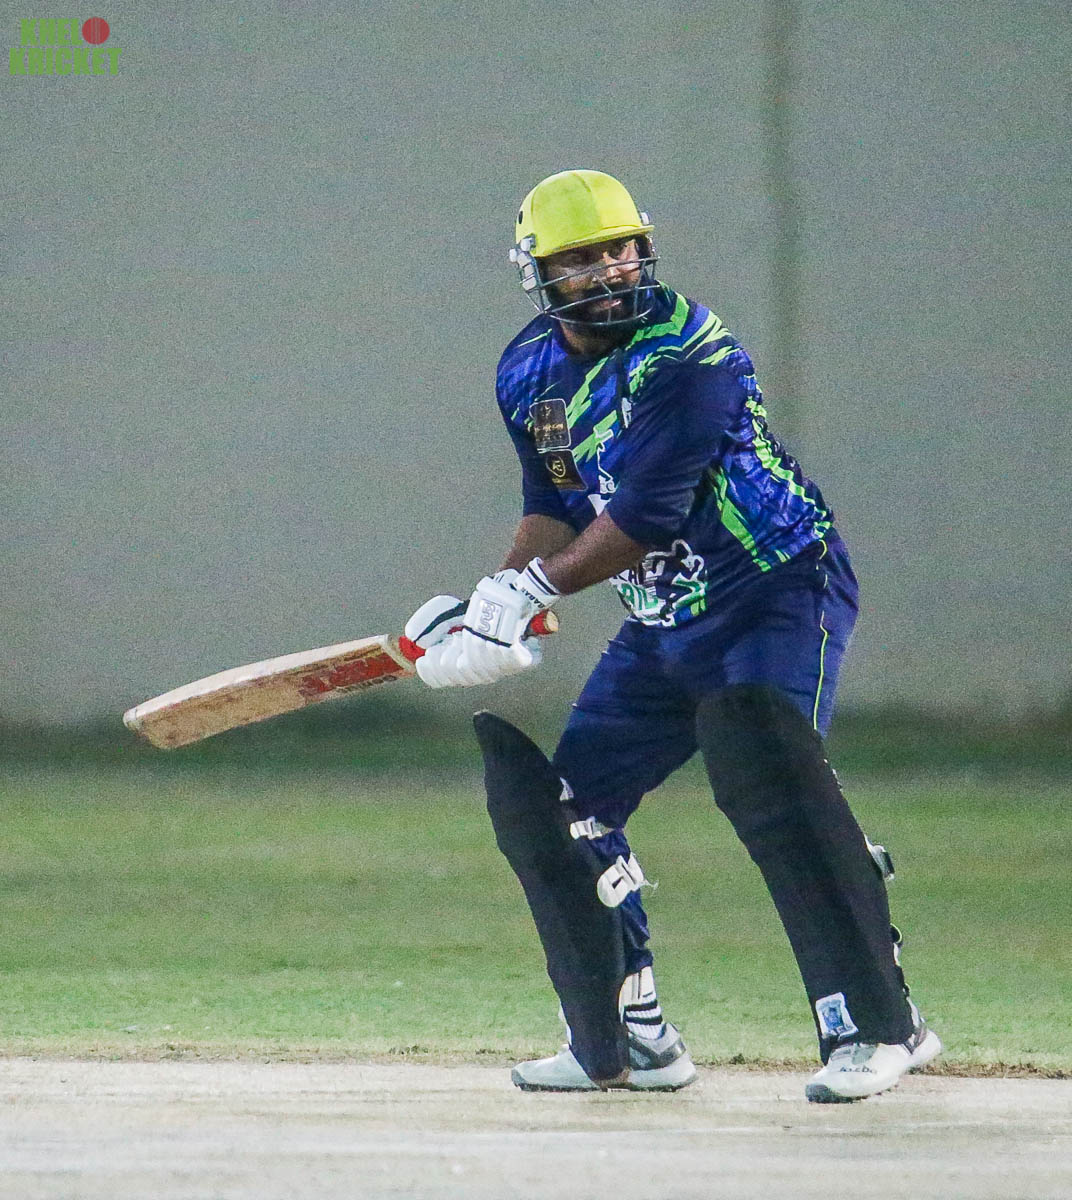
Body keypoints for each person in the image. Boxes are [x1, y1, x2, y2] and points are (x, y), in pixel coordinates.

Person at [404, 169, 940, 1102]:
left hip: (774, 588)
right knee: (563, 810)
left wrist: (531, 590)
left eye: (620, 250)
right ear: (539, 274)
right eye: (581, 258)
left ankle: (881, 1026)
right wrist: (494, 598)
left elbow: (646, 514)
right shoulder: (527, 371)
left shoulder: (689, 356)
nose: (609, 272)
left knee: (769, 771)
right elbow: (555, 504)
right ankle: (626, 1037)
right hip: (662, 622)